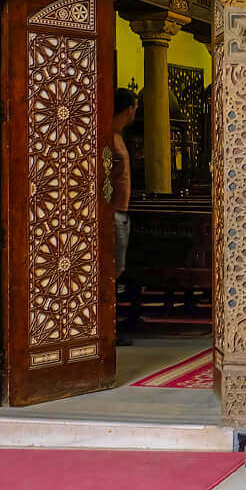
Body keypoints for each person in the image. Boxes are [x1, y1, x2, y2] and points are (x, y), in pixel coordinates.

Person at [112, 88, 137, 346]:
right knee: (112, 271)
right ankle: (107, 328)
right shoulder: (108, 137)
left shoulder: (117, 136)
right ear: (130, 108)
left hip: (121, 211)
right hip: (113, 213)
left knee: (117, 269)